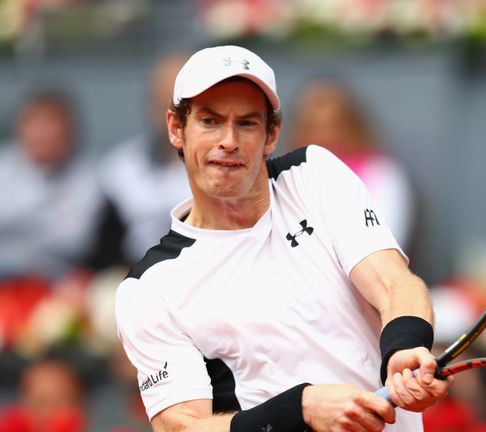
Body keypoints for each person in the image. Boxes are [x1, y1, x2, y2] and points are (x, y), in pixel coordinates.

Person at [115, 45, 452, 432]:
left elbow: (393, 282)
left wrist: (405, 345)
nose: (228, 140)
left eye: (247, 123)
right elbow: (182, 426)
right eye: (210, 121)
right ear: (176, 128)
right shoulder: (149, 288)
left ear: (272, 133)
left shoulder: (315, 174)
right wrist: (302, 408)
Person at [0, 88, 101, 281]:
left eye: (51, 123)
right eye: (35, 123)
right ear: (19, 127)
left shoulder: (90, 175)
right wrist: (40, 216)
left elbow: (74, 240)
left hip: (51, 279)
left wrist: (6, 226)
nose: (43, 133)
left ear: (70, 130)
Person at [289, 80, 416, 252]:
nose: (324, 136)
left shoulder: (381, 173)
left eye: (334, 126)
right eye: (313, 127)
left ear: (354, 127)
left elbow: (387, 240)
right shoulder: (286, 177)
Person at [93, 53, 191, 269]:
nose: (172, 115)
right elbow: (103, 251)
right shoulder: (119, 168)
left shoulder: (225, 169)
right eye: (162, 101)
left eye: (183, 105)